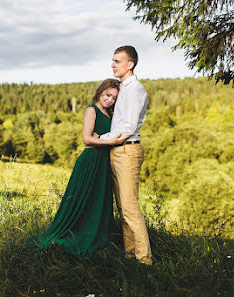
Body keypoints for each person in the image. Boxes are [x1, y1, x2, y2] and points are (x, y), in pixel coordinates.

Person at [27, 78, 126, 258]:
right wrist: (107, 141)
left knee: (99, 200)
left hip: (103, 162)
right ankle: (77, 234)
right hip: (91, 161)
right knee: (83, 199)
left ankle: (98, 236)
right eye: (108, 95)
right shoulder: (92, 110)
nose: (110, 100)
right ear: (100, 91)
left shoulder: (110, 114)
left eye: (114, 98)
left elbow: (104, 136)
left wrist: (103, 139)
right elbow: (87, 139)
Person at [98, 45, 152, 265]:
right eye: (112, 61)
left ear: (129, 64)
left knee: (130, 208)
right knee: (122, 208)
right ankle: (130, 256)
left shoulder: (135, 89)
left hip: (128, 150)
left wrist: (100, 138)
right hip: (118, 150)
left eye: (117, 61)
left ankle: (144, 261)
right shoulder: (124, 89)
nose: (112, 64)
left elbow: (128, 127)